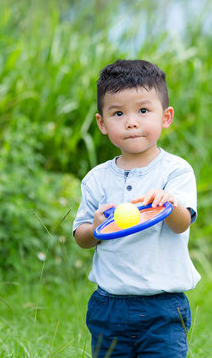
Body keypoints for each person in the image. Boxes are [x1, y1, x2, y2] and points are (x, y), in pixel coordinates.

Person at [72, 59, 200, 357]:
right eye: (118, 113)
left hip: (162, 307)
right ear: (102, 123)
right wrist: (97, 226)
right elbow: (81, 236)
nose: (131, 122)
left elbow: (182, 224)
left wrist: (170, 203)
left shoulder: (175, 172)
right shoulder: (97, 179)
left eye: (143, 111)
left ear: (166, 117)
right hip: (109, 307)